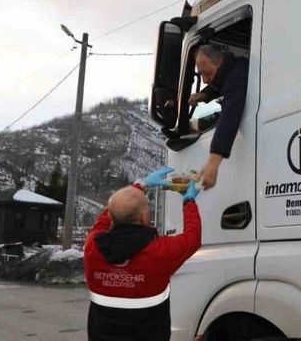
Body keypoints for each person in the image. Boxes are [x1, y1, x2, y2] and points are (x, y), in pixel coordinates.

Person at [83, 169, 200, 341]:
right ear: (145, 218)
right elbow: (193, 237)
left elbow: (104, 219)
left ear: (111, 217)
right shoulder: (160, 252)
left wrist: (140, 186)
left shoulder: (92, 247)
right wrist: (189, 201)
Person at [188, 44, 249, 189]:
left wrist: (213, 161)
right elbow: (221, 81)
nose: (204, 80)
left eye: (206, 73)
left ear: (220, 62)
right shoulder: (235, 65)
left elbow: (230, 115)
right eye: (201, 74)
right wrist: (205, 94)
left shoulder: (238, 77)